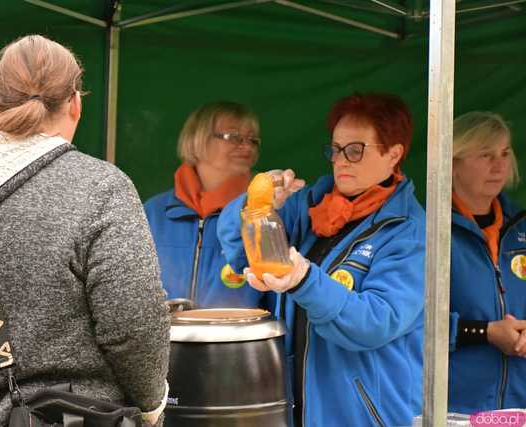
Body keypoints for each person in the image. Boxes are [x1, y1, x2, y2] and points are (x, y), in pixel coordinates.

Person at [0, 35, 170, 427]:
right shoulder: (100, 188)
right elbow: (134, 324)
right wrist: (151, 403)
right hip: (75, 418)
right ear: (75, 103)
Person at [218, 93, 425, 426]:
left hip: (364, 416)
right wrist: (257, 207)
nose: (341, 160)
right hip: (290, 407)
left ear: (394, 153)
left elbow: (376, 322)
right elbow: (242, 254)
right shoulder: (308, 204)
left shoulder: (409, 231)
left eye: (355, 150)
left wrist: (304, 280)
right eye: (335, 149)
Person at [144, 101, 269, 309]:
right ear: (197, 140)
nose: (246, 146)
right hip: (161, 339)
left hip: (237, 339)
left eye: (252, 140)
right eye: (233, 136)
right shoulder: (153, 213)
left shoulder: (264, 212)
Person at [448, 111, 526, 413]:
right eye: (485, 154)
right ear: (453, 163)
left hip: (518, 409)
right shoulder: (427, 230)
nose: (500, 165)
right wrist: (485, 332)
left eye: (505, 153)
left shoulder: (521, 227)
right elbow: (413, 325)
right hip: (455, 408)